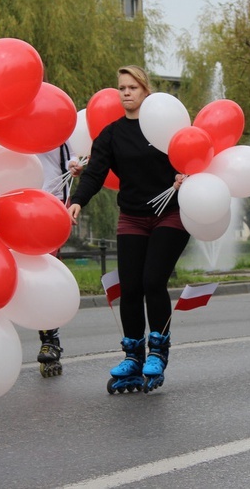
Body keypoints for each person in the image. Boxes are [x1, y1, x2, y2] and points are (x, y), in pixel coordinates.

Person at [67, 65, 190, 394]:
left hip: (171, 214)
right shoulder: (111, 133)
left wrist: (185, 174)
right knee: (130, 287)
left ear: (146, 91)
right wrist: (78, 200)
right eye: (121, 87)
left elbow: (191, 155)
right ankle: (133, 357)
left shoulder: (167, 127)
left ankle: (158, 352)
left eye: (132, 87)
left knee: (153, 281)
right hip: (133, 216)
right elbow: (94, 172)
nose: (125, 93)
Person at [34, 141, 82, 377]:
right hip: (14, 203)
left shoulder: (56, 117)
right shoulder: (10, 116)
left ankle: (50, 340)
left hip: (50, 202)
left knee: (42, 274)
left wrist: (73, 164)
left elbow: (69, 156)